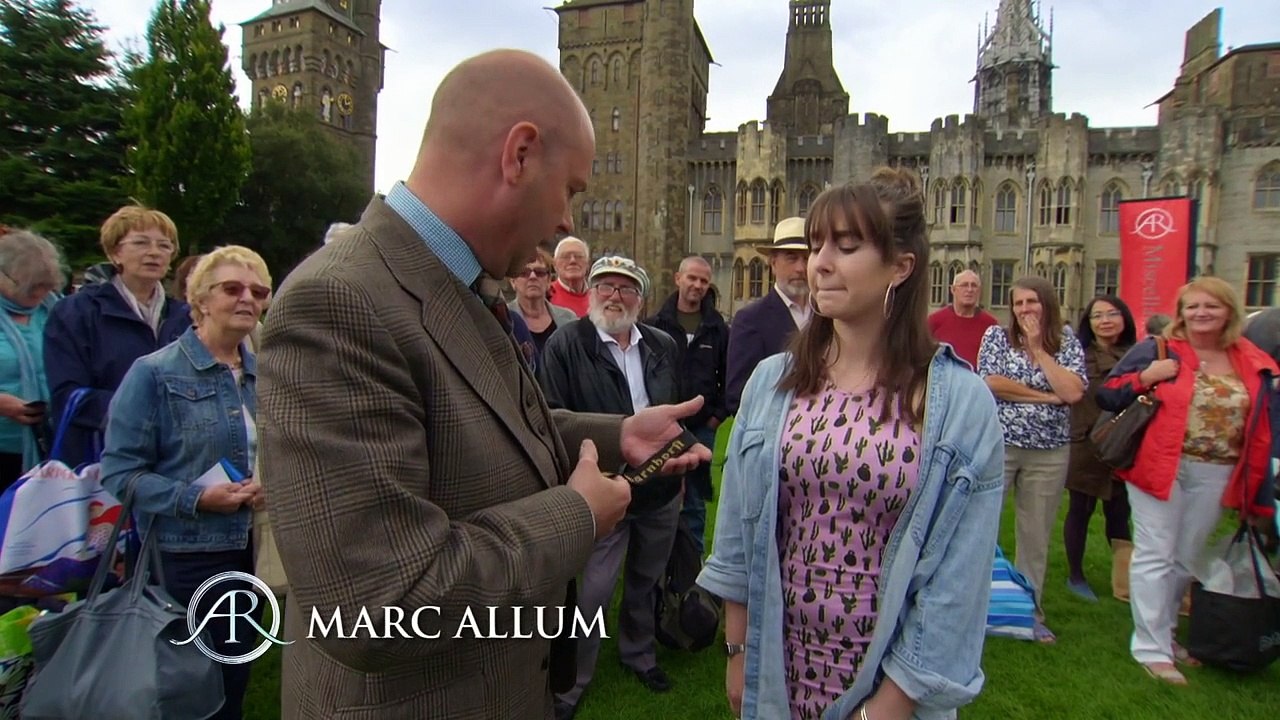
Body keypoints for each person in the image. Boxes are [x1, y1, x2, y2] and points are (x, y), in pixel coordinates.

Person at [256, 50, 709, 720]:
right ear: (519, 154)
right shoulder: (339, 303)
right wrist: (576, 515)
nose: (564, 223)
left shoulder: (452, 283)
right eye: (572, 191)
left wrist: (616, 436)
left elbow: (486, 423)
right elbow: (379, 601)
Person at [698, 171, 1005, 720]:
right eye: (816, 245)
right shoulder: (773, 381)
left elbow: (958, 580)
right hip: (778, 672)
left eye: (847, 246)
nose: (820, 263)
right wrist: (739, 652)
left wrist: (888, 705)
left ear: (901, 266)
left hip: (888, 682)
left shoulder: (960, 401)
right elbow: (738, 530)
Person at [100, 246, 273, 719]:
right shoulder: (155, 373)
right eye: (232, 289)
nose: (247, 300)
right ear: (199, 299)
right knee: (181, 688)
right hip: (183, 556)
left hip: (251, 550)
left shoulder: (267, 376)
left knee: (231, 681)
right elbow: (119, 473)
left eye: (258, 292)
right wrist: (196, 498)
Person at [1098, 277, 1277, 685]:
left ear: (1229, 311)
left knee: (1186, 557)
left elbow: (1263, 415)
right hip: (1161, 463)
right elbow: (1109, 393)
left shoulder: (1249, 358)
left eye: (1210, 307)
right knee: (1156, 553)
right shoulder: (1159, 348)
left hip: (1218, 468)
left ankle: (1169, 636)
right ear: (1181, 312)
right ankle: (1151, 648)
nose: (1201, 314)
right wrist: (1147, 377)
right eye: (1193, 306)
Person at [539, 256, 683, 719]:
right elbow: (552, 415)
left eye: (626, 288)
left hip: (660, 488)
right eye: (605, 286)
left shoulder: (661, 343)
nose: (614, 295)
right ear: (591, 293)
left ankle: (638, 655)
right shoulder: (567, 343)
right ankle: (570, 684)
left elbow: (674, 409)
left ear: (640, 299)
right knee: (594, 590)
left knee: (646, 580)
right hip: (604, 486)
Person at [976, 276, 1086, 644]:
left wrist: (1039, 350)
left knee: (1035, 535)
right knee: (978, 528)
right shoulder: (996, 337)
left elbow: (1072, 391)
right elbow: (990, 382)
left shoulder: (1066, 341)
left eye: (1032, 302)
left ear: (1047, 304)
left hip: (1049, 452)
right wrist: (1045, 396)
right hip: (1000, 446)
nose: (1025, 310)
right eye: (1019, 303)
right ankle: (974, 609)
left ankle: (1029, 613)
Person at [43, 205, 190, 468]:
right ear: (114, 252)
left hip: (173, 459)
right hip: (101, 458)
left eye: (164, 245)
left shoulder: (186, 316)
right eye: (141, 243)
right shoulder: (76, 312)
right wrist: (144, 413)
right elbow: (68, 395)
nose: (154, 252)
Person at [647, 255, 729, 555]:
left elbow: (730, 376)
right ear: (678, 278)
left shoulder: (717, 328)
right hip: (662, 430)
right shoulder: (655, 325)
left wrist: (716, 417)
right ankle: (660, 565)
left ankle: (690, 573)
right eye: (692, 278)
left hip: (700, 431)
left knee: (694, 503)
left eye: (704, 281)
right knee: (660, 500)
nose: (697, 285)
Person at [1063, 295, 1138, 602]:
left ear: (1124, 319)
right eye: (1097, 316)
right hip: (1086, 443)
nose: (1105, 321)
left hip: (1124, 445)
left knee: (1120, 513)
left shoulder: (1138, 354)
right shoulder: (1077, 354)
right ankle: (1076, 574)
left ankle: (1125, 581)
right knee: (1080, 510)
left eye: (1112, 314)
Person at [725, 217, 811, 413]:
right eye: (791, 257)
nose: (801, 268)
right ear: (773, 263)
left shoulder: (828, 316)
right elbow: (739, 395)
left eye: (806, 258)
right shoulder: (751, 319)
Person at [0, 228, 63, 489]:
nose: (38, 293)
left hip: (51, 444)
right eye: (30, 285)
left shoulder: (56, 309)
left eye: (45, 285)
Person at [508, 247, 577, 355]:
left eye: (539, 272)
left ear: (549, 280)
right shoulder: (504, 319)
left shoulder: (569, 319)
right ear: (513, 281)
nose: (532, 277)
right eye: (524, 272)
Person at [928, 269, 998, 369]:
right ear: (953, 290)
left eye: (974, 286)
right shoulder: (934, 321)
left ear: (979, 291)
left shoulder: (991, 325)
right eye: (964, 285)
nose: (969, 290)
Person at [548, 236, 591, 317]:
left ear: (587, 263)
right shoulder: (545, 296)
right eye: (565, 257)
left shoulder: (599, 296)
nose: (572, 260)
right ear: (554, 264)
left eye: (579, 256)